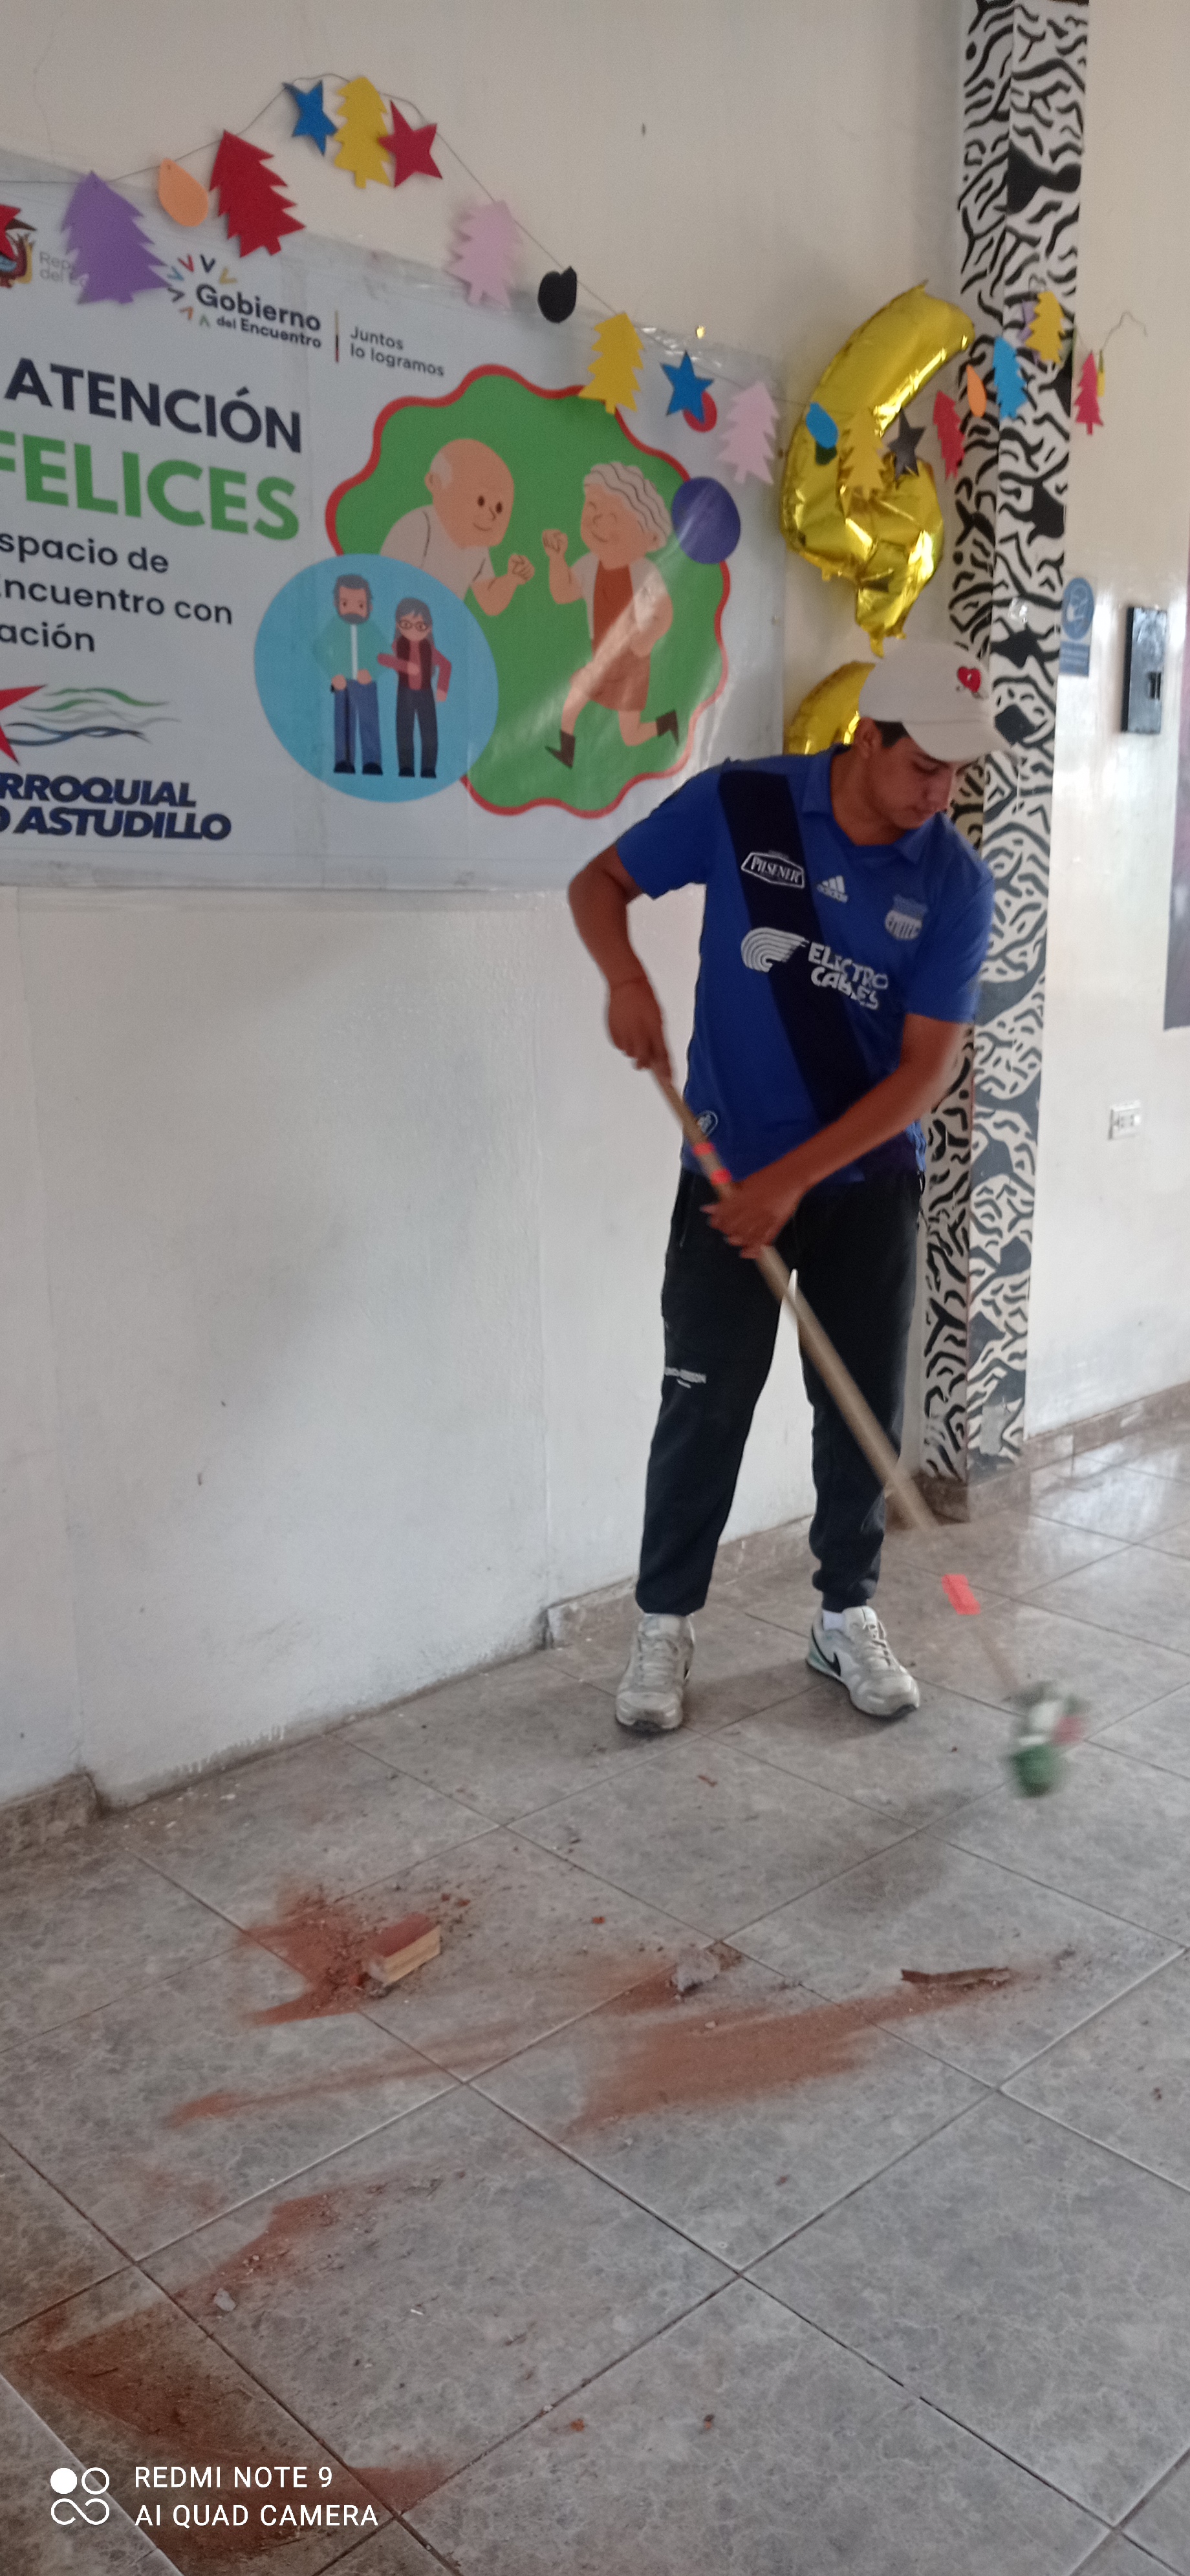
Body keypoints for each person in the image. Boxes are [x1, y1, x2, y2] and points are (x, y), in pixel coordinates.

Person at [567, 639, 997, 1730]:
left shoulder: (953, 881)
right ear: (868, 736)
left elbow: (923, 1073)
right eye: (924, 765)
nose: (940, 792)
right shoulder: (746, 803)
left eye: (958, 771)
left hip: (867, 1186)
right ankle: (665, 1622)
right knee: (703, 1404)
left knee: (858, 1414)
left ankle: (845, 1613)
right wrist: (624, 977)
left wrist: (794, 1182)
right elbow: (598, 882)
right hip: (725, 1173)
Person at [542, 461, 679, 768]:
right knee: (573, 700)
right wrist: (556, 560)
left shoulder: (646, 572)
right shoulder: (590, 565)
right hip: (603, 654)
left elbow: (664, 613)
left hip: (632, 661)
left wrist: (645, 641)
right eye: (592, 508)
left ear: (649, 539)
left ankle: (666, 723)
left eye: (613, 517)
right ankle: (566, 751)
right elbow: (563, 592)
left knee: (630, 735)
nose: (597, 521)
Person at [381, 438, 535, 616]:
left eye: (499, 508)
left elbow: (490, 602)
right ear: (435, 483)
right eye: (481, 501)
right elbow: (389, 582)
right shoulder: (419, 527)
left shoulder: (476, 548)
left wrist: (511, 579)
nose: (492, 515)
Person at [312, 573, 386, 775]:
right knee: (343, 724)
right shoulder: (335, 626)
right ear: (336, 604)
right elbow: (318, 649)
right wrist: (333, 673)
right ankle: (344, 761)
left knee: (369, 722)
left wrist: (373, 672)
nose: (353, 610)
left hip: (366, 684)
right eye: (346, 604)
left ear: (370, 607)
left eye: (360, 605)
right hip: (343, 684)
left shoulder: (371, 629)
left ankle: (372, 762)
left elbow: (387, 655)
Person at [378, 597, 451, 778]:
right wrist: (404, 666)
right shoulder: (398, 645)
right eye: (406, 624)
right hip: (405, 693)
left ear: (429, 628)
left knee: (429, 732)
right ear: (398, 625)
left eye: (420, 626)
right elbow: (383, 658)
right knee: (404, 731)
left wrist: (442, 689)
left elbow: (446, 665)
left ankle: (428, 768)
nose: (412, 630)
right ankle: (406, 767)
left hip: (426, 693)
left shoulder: (429, 648)